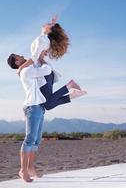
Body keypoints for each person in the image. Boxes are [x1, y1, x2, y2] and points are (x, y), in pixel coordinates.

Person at [7, 53, 87, 182]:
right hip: (32, 107)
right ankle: (23, 170)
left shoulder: (26, 69)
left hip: (39, 107)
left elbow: (33, 62)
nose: (22, 55)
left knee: (36, 140)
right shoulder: (26, 71)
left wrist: (33, 60)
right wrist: (26, 65)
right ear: (16, 61)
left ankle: (31, 168)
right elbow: (45, 69)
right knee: (29, 139)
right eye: (18, 56)